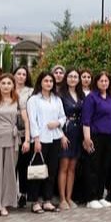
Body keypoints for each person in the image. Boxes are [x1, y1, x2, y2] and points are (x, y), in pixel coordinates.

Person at [0, 74, 24, 218]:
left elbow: (25, 120)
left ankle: (5, 203)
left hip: (12, 138)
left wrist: (26, 139)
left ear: (13, 85)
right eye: (3, 83)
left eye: (9, 83)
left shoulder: (17, 100)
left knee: (9, 172)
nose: (6, 86)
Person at [26, 71, 66, 213]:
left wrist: (57, 123)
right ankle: (35, 201)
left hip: (55, 138)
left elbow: (63, 117)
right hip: (40, 139)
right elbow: (32, 121)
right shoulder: (34, 100)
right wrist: (36, 139)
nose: (49, 83)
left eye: (51, 81)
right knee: (38, 171)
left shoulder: (57, 99)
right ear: (40, 82)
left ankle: (47, 200)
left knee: (52, 170)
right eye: (46, 81)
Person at [82, 72, 111, 209]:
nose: (104, 83)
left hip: (109, 137)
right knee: (93, 167)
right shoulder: (91, 97)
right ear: (96, 82)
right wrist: (87, 138)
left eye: (106, 81)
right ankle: (91, 198)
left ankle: (99, 195)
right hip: (95, 136)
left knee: (105, 167)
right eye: (101, 81)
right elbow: (86, 119)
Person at [56, 68, 84, 210]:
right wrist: (61, 135)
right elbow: (56, 116)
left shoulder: (81, 95)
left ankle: (69, 197)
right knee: (64, 167)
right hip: (65, 132)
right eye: (70, 76)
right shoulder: (60, 95)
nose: (73, 79)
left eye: (75, 77)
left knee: (72, 168)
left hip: (78, 132)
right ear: (66, 78)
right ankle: (62, 199)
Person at [12, 66, 34, 209]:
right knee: (11, 165)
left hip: (26, 131)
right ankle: (11, 194)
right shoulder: (8, 88)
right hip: (10, 132)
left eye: (23, 74)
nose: (21, 76)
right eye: (18, 73)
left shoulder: (31, 92)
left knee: (23, 164)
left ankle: (23, 194)